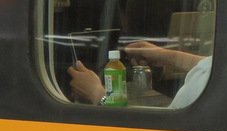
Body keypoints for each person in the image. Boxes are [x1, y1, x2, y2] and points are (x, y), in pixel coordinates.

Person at [67, 41, 211, 110]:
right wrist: (167, 56)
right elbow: (214, 65)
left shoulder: (203, 86)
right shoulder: (225, 71)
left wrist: (99, 95)